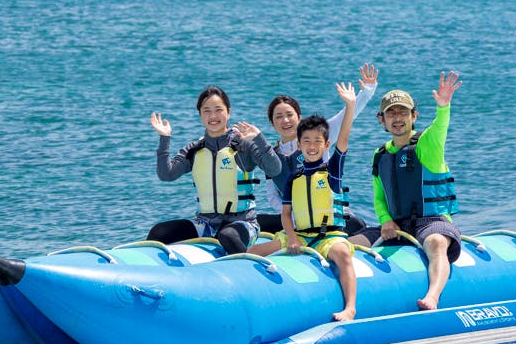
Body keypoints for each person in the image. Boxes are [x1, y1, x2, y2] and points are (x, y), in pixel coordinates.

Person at [251, 82, 360, 321]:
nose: (312, 146)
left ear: (326, 145)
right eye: (307, 142)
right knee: (252, 252)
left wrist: (350, 106)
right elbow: (285, 214)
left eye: (317, 142)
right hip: (299, 235)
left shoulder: (332, 171)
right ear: (299, 146)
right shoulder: (294, 178)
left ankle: (350, 307)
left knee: (342, 254)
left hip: (328, 236)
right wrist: (290, 237)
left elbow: (343, 139)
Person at [356, 71, 463, 311]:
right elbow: (379, 197)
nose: (397, 118)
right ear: (381, 120)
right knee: (350, 243)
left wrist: (443, 107)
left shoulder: (427, 144)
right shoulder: (380, 155)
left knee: (436, 242)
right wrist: (385, 220)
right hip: (396, 225)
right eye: (391, 113)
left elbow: (440, 127)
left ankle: (433, 296)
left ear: (414, 116)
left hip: (431, 220)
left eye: (403, 112)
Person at [148, 86, 282, 255]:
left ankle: (249, 269)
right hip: (206, 224)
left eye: (218, 110)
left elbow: (275, 169)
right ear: (200, 115)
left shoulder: (242, 145)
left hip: (243, 223)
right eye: (206, 111)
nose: (213, 116)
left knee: (228, 235)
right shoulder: (195, 149)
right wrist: (164, 139)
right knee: (159, 232)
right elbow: (166, 174)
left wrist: (259, 140)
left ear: (228, 112)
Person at [258, 64, 379, 234]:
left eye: (289, 115)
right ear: (272, 123)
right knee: (258, 222)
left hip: (327, 215)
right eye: (278, 117)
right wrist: (293, 214)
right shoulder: (272, 156)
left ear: (299, 117)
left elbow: (347, 115)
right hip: (294, 217)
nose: (285, 120)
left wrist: (367, 90)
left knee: (356, 224)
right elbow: (272, 196)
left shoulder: (320, 134)